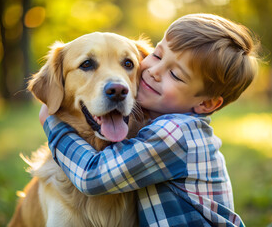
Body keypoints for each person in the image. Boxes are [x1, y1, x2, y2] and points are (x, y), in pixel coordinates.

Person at [39, 14, 259, 226]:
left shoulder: (174, 134)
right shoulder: (159, 128)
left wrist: (53, 125)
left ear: (207, 104)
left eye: (127, 64)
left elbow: (92, 176)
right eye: (158, 56)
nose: (154, 72)